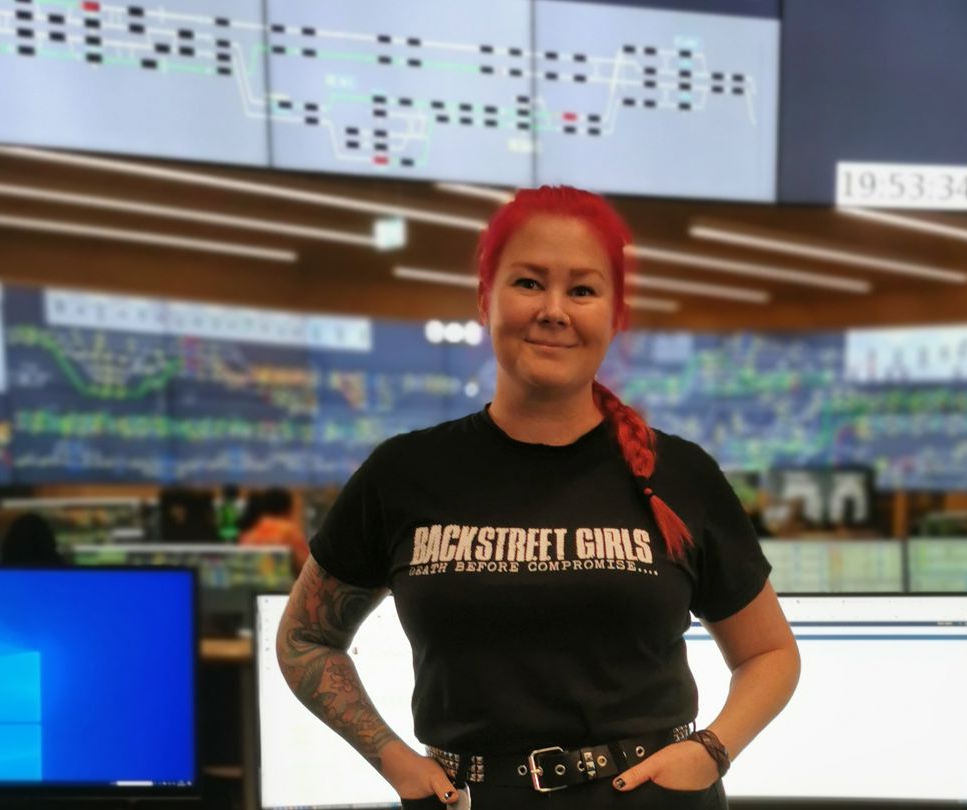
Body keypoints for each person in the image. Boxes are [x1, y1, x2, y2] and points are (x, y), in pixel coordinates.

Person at [277, 186, 801, 809]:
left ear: (616, 314)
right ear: (485, 299)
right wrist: (394, 760)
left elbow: (770, 653)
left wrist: (711, 751)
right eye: (528, 283)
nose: (554, 310)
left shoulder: (680, 474)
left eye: (582, 290)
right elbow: (304, 639)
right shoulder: (403, 474)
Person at [239, 487, 310, 574]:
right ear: (287, 508)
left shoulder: (250, 533)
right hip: (284, 581)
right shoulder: (289, 532)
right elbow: (307, 566)